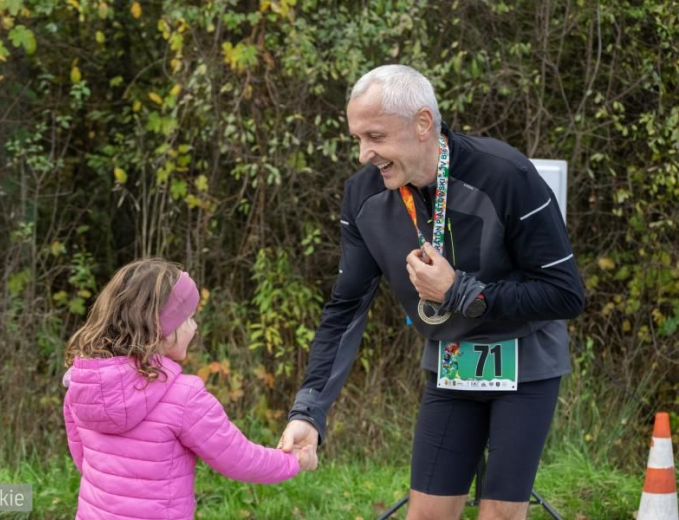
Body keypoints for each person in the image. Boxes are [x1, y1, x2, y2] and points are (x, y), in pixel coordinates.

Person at [278, 64, 584, 519]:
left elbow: (565, 294)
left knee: (500, 513)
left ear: (423, 123)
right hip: (451, 364)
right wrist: (309, 410)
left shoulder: (506, 174)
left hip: (527, 362)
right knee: (426, 514)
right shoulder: (363, 196)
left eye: (375, 137)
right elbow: (345, 311)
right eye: (357, 139)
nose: (364, 154)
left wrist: (463, 293)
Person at [63, 258, 313, 519]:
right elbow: (239, 459)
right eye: (189, 318)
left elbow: (84, 460)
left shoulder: (81, 385)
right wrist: (293, 461)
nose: (194, 327)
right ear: (164, 328)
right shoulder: (183, 396)